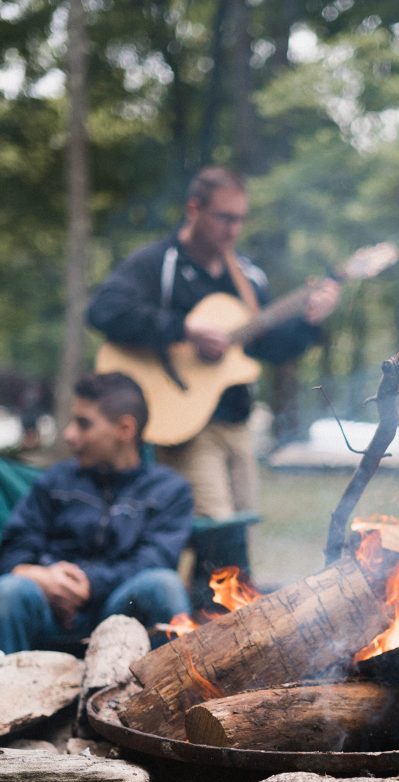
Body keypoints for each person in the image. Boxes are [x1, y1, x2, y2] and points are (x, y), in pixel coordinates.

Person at [86, 165, 340, 519]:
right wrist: (183, 329)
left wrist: (309, 323)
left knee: (242, 525)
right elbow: (103, 310)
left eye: (240, 219)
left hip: (237, 423)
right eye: (224, 218)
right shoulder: (160, 262)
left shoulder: (248, 277)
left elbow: (267, 348)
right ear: (194, 209)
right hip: (184, 424)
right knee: (216, 526)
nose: (233, 229)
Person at [0, 372, 193, 654]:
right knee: (10, 591)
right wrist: (41, 576)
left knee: (163, 585)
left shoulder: (170, 491)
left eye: (83, 424)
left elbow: (154, 560)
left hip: (119, 611)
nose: (69, 435)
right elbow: (15, 547)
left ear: (125, 429)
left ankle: (177, 695)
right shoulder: (55, 481)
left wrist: (88, 583)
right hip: (50, 610)